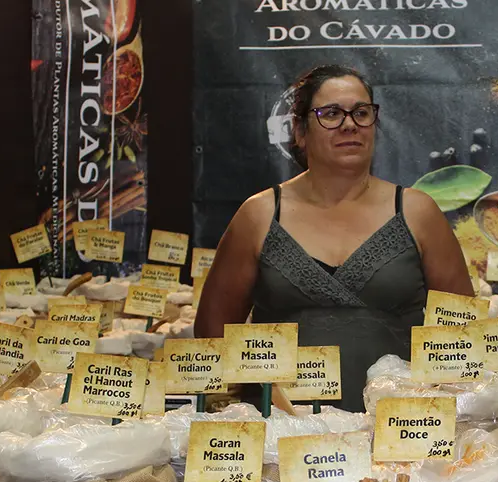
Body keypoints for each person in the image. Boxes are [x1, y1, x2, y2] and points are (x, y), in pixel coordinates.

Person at [195, 64, 474, 412]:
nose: (349, 124)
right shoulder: (260, 215)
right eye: (330, 113)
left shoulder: (418, 212)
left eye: (361, 113)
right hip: (282, 441)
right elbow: (212, 336)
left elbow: (464, 333)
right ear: (299, 131)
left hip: (398, 437)